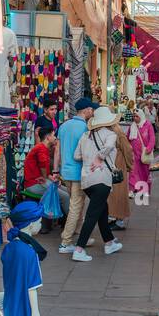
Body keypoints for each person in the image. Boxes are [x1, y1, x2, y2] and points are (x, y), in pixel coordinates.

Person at [71, 107, 124, 262]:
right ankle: (79, 249)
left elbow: (76, 155)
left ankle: (109, 242)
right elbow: (107, 148)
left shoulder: (85, 135)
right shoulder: (111, 135)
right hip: (102, 179)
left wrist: (90, 158)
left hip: (87, 180)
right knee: (93, 215)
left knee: (102, 210)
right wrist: (99, 157)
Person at [58, 98, 96, 254]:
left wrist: (56, 170)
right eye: (91, 109)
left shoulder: (64, 126)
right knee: (76, 206)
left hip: (65, 172)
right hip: (78, 172)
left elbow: (57, 150)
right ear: (86, 110)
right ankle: (65, 242)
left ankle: (80, 235)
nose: (92, 112)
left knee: (77, 206)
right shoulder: (85, 128)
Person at [22, 122, 68, 216]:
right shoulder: (41, 149)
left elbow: (45, 174)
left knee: (68, 191)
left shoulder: (42, 148)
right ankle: (72, 223)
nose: (55, 137)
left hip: (39, 181)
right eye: (53, 135)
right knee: (66, 196)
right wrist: (51, 180)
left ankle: (70, 220)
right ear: (48, 138)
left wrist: (52, 179)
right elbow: (44, 174)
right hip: (34, 184)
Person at [107, 117, 135, 232]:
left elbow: (128, 149)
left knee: (119, 193)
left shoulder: (117, 131)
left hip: (118, 164)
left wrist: (129, 165)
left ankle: (120, 221)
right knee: (114, 194)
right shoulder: (113, 130)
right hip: (114, 164)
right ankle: (116, 217)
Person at [129, 107, 155, 202]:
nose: (135, 118)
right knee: (133, 172)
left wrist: (149, 148)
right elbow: (128, 138)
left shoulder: (147, 125)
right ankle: (131, 189)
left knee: (145, 173)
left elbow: (152, 138)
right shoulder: (132, 126)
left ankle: (145, 190)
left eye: (136, 116)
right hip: (134, 154)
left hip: (145, 154)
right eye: (133, 116)